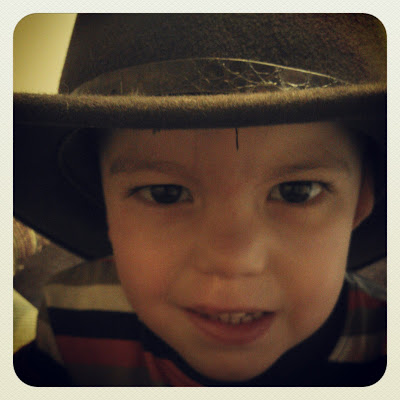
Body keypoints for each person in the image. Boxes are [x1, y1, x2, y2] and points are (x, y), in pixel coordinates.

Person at [13, 14, 386, 386]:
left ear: (361, 201)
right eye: (165, 194)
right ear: (104, 199)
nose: (232, 260)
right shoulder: (70, 322)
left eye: (297, 192)